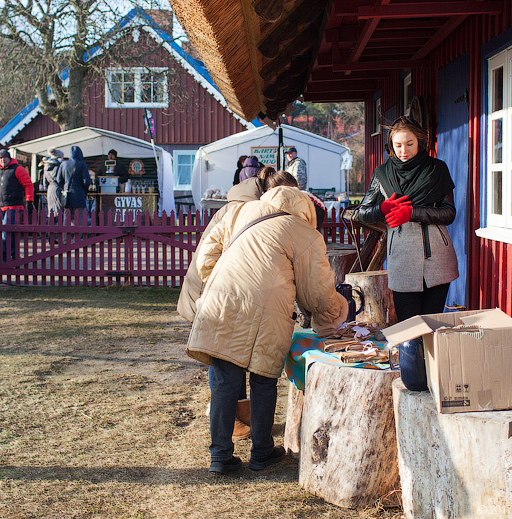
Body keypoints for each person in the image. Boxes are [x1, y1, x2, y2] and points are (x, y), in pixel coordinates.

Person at [189, 181, 348, 474]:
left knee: (225, 380)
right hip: (269, 310)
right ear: (308, 212)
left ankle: (220, 457)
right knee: (263, 379)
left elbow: (207, 254)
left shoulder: (241, 210)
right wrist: (335, 313)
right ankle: (262, 452)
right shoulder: (305, 234)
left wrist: (221, 282)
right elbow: (318, 292)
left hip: (222, 300)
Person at [178, 166, 297, 441]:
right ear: (272, 193)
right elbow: (207, 258)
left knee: (230, 364)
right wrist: (226, 286)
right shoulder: (241, 210)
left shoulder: (248, 207)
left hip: (222, 293)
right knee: (224, 364)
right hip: (212, 293)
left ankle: (234, 426)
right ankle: (230, 423)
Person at [353, 116, 458, 389]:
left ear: (420, 142)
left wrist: (413, 212)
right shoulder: (383, 174)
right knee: (410, 327)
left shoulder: (437, 169)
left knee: (433, 326)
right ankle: (414, 384)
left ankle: (439, 384)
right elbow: (361, 212)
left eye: (409, 144)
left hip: (437, 256)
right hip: (402, 256)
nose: (404, 150)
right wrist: (382, 209)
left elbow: (449, 213)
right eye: (398, 145)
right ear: (391, 145)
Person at [0, 149, 34, 260]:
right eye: (0, 158)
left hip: (14, 206)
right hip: (3, 207)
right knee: (10, 232)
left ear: (9, 158)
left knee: (6, 232)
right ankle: (13, 255)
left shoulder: (18, 169)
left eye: (4, 157)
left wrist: (29, 201)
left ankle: (5, 256)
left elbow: (28, 185)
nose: (2, 160)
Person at [57, 145, 93, 220]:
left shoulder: (63, 164)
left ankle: (66, 232)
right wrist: (85, 190)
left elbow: (59, 180)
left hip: (67, 195)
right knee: (79, 220)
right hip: (80, 195)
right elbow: (87, 181)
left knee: (67, 220)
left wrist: (64, 188)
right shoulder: (82, 164)